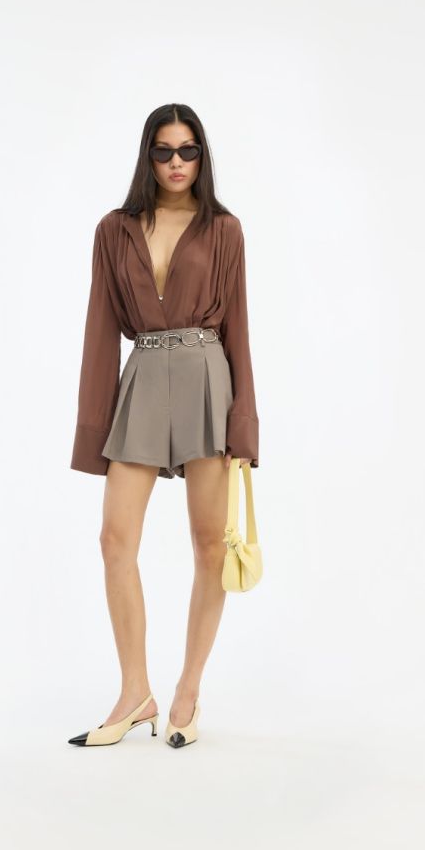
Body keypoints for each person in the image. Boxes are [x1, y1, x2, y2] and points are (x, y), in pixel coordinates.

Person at [67, 103, 259, 748]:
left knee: (210, 547)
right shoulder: (114, 229)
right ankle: (135, 692)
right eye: (164, 151)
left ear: (202, 157)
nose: (177, 162)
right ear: (147, 157)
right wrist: (93, 430)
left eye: (188, 150)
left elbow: (239, 331)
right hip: (143, 379)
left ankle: (187, 691)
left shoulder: (224, 229)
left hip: (208, 381)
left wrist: (243, 427)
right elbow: (100, 331)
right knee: (114, 541)